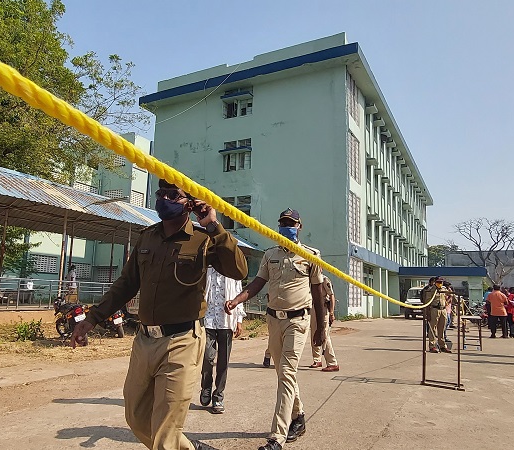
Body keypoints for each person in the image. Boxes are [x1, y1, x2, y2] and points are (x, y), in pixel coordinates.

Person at [69, 179, 248, 450]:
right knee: (136, 416)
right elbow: (126, 284)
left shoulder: (203, 239)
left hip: (182, 341)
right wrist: (91, 319)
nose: (164, 198)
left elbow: (239, 271)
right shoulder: (147, 237)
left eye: (173, 195)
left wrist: (213, 226)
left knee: (165, 431)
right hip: (144, 341)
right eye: (161, 193)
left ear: (190, 204)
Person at [224, 208, 325, 450]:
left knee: (287, 373)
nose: (286, 226)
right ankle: (298, 416)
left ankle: (277, 437)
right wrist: (237, 300)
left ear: (299, 226)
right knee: (282, 373)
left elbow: (318, 293)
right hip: (273, 321)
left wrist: (320, 328)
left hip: (297, 322)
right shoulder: (270, 255)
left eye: (290, 223)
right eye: (282, 223)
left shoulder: (311, 255)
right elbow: (258, 282)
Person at [200, 267, 244, 415]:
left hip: (226, 320)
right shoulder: (207, 269)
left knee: (223, 361)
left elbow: (239, 294)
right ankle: (206, 386)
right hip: (208, 320)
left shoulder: (233, 271)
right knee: (207, 356)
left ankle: (218, 396)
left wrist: (239, 320)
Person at [309, 276, 339, 371]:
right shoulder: (308, 279)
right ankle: (317, 359)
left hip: (323, 308)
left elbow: (331, 295)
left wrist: (331, 312)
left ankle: (332, 362)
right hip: (313, 308)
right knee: (314, 334)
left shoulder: (324, 279)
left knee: (324, 335)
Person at [422, 276, 450, 352]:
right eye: (438, 282)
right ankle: (432, 345)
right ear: (435, 282)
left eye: (441, 282)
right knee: (432, 328)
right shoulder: (431, 290)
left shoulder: (444, 289)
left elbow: (449, 296)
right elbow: (427, 302)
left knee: (442, 328)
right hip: (434, 309)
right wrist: (428, 313)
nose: (440, 283)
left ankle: (442, 345)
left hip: (443, 309)